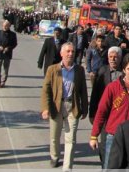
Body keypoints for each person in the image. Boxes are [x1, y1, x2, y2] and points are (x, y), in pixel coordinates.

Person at [89, 53, 129, 168]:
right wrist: (94, 135)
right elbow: (101, 112)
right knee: (109, 167)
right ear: (123, 70)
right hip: (113, 136)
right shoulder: (112, 88)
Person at [40, 42, 88, 170]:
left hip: (73, 107)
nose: (70, 54)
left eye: (72, 51)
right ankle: (55, 156)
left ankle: (67, 168)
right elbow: (46, 90)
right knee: (54, 137)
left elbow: (83, 90)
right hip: (57, 106)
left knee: (70, 140)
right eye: (68, 51)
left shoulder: (79, 70)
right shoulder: (53, 69)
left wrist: (85, 108)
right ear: (61, 53)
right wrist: (45, 108)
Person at [0, 20, 18, 88]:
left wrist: (8, 48)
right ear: (2, 25)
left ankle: (3, 82)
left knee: (5, 69)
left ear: (9, 26)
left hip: (7, 53)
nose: (5, 27)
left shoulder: (13, 34)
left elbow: (15, 44)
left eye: (6, 26)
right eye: (4, 26)